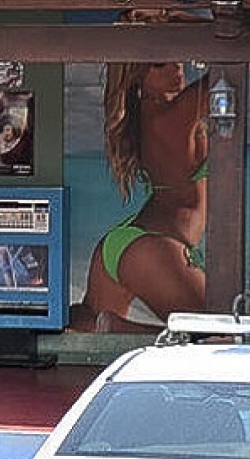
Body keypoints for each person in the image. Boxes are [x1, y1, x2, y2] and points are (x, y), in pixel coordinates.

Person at [71, 49, 209, 333]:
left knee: (88, 323)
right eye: (160, 64)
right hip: (156, 246)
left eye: (176, 58)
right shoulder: (175, 116)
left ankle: (111, 326)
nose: (177, 67)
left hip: (125, 242)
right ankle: (127, 331)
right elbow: (232, 74)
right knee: (219, 338)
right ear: (136, 76)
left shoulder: (146, 117)